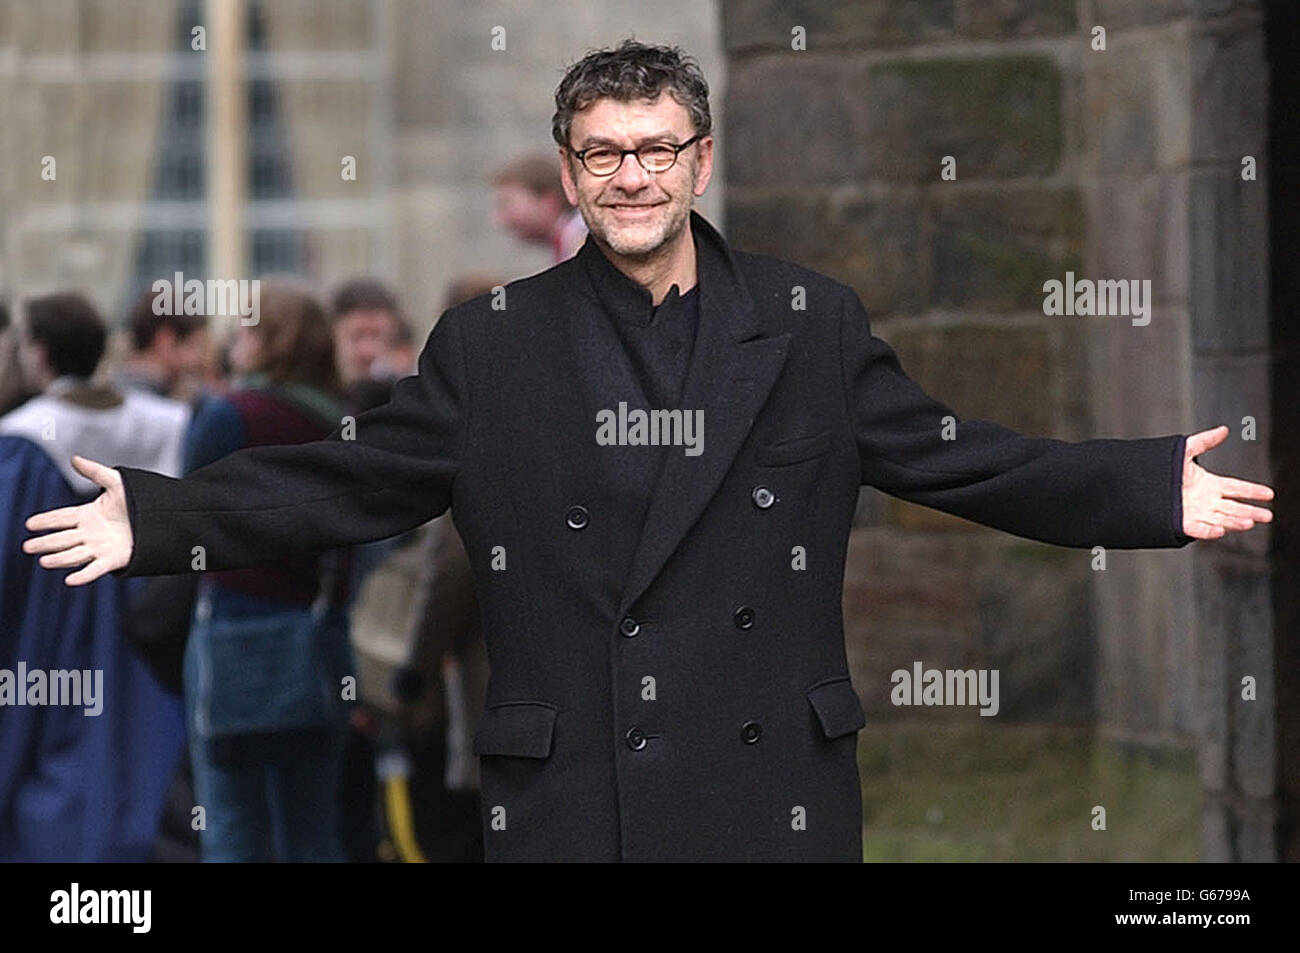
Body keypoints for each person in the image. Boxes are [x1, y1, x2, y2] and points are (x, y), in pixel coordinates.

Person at [22, 40, 1275, 862]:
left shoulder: (806, 322)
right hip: (572, 795)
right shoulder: (492, 343)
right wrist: (165, 517)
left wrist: (1142, 485)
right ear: (571, 171)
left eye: (657, 147)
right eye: (605, 152)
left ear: (701, 159)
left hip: (768, 785)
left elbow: (961, 457)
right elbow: (351, 476)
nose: (633, 175)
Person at [0, 292, 185, 860]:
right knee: (138, 746)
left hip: (47, 625)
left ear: (39, 354)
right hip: (147, 619)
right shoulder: (170, 424)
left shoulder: (22, 441)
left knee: (52, 752)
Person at [174, 280, 351, 862]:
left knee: (231, 819)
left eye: (248, 329)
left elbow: (184, 515)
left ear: (271, 340)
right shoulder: (340, 420)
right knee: (312, 824)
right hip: (318, 631)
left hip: (232, 624)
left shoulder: (229, 415)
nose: (235, 342)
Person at [493, 153, 588, 262]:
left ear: (548, 200)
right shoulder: (567, 242)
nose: (500, 219)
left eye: (507, 203)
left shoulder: (581, 241)